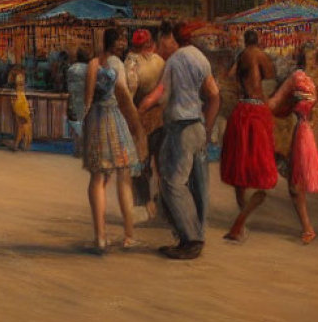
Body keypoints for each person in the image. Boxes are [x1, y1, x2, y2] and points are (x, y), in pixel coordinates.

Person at [139, 21, 220, 260]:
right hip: (197, 125)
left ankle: (191, 239)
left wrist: (142, 106)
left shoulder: (174, 60)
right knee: (197, 183)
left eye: (164, 38)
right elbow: (214, 96)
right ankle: (195, 233)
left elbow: (161, 93)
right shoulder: (201, 58)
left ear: (172, 38)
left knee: (172, 183)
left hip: (180, 128)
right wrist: (208, 126)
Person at [82, 29, 145, 253]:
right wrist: (137, 126)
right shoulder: (116, 64)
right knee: (124, 176)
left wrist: (85, 126)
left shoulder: (92, 64)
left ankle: (100, 237)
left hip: (97, 120)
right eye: (120, 40)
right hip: (115, 120)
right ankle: (129, 235)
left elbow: (87, 100)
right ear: (115, 44)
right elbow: (125, 97)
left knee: (98, 178)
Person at [220, 29, 278, 243]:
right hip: (255, 112)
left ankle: (240, 223)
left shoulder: (241, 56)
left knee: (240, 169)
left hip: (240, 111)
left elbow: (228, 78)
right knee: (262, 176)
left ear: (245, 41)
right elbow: (271, 82)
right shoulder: (260, 55)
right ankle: (239, 222)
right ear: (259, 40)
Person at [267, 61, 318, 244]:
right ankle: (307, 227)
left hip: (301, 133)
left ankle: (307, 228)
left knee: (295, 184)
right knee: (297, 181)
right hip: (308, 130)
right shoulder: (311, 80)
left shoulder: (295, 78)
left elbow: (272, 104)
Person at [125, 28, 166, 221]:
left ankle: (145, 203)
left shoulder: (132, 62)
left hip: (140, 116)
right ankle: (161, 204)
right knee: (161, 162)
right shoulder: (160, 61)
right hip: (161, 116)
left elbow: (130, 91)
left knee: (140, 162)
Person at [65, 49, 90, 157]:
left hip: (73, 100)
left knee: (76, 127)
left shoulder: (71, 69)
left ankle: (77, 150)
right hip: (86, 100)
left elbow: (68, 86)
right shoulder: (90, 69)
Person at [10, 65, 33, 151]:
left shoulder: (14, 81)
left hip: (18, 103)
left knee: (20, 125)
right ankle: (22, 144)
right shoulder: (20, 77)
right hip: (21, 103)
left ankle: (17, 144)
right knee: (24, 124)